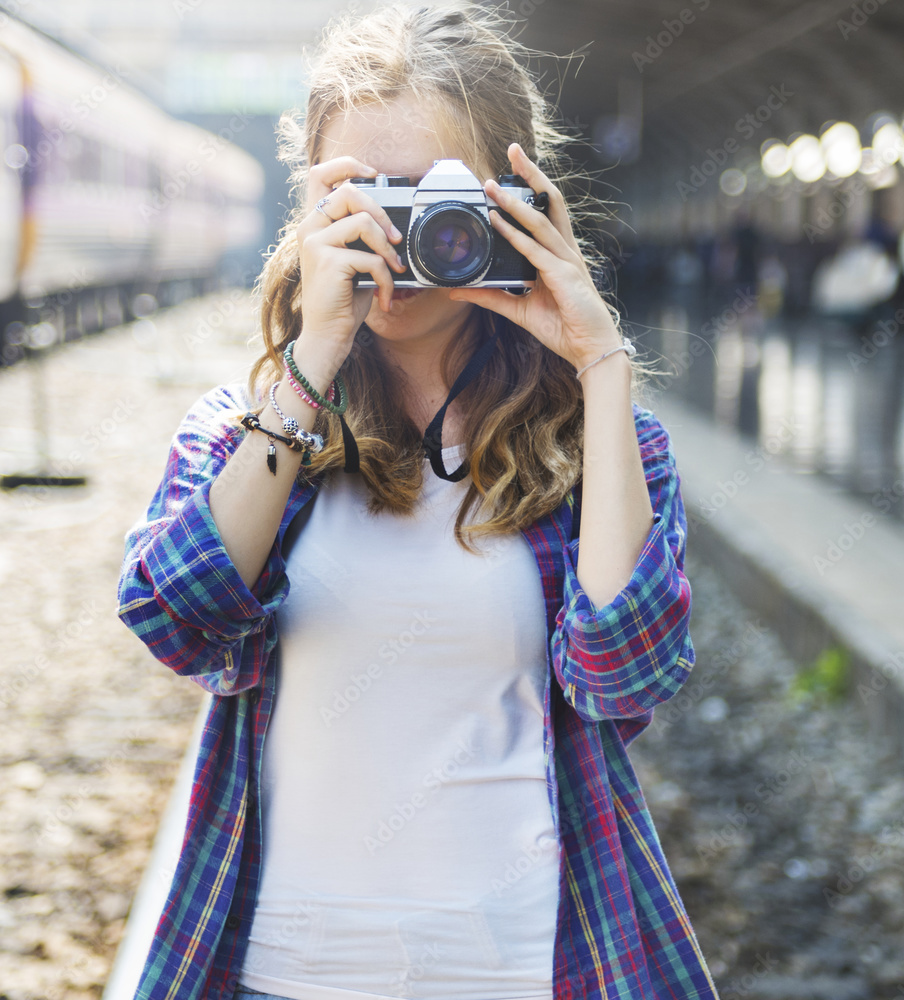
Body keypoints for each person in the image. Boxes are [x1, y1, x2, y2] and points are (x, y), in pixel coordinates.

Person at [116, 5, 720, 999]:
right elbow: (175, 623)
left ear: (516, 198)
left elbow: (626, 676)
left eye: (428, 201)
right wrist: (309, 360)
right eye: (361, 198)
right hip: (284, 973)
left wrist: (600, 365)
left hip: (531, 970)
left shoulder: (601, 450)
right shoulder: (243, 431)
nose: (392, 239)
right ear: (308, 206)